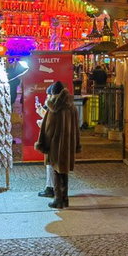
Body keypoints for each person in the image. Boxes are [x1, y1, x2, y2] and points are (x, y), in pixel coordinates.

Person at [35, 81, 81, 209]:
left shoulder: (53, 108)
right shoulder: (71, 106)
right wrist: (76, 144)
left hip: (55, 145)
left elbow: (48, 129)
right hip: (67, 145)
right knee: (64, 172)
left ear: (53, 94)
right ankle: (64, 199)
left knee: (56, 171)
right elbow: (76, 128)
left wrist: (43, 144)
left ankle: (58, 199)